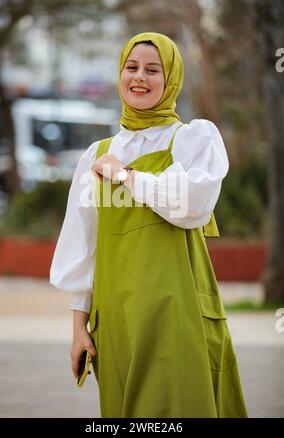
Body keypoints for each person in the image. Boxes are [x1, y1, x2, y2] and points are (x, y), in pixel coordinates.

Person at [50, 32, 248, 418]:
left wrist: (125, 176)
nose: (140, 77)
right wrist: (78, 326)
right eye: (132, 67)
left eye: (153, 70)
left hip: (179, 310)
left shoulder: (191, 140)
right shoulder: (97, 154)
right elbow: (82, 244)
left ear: (170, 79)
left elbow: (191, 204)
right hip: (118, 318)